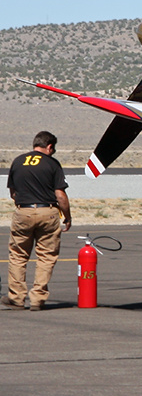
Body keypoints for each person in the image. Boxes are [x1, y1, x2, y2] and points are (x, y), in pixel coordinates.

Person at [4, 131, 71, 311]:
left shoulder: (18, 161)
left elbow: (13, 193)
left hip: (23, 211)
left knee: (18, 256)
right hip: (47, 211)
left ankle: (16, 298)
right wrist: (67, 216)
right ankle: (37, 299)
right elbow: (60, 195)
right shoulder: (52, 163)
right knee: (46, 256)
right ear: (49, 147)